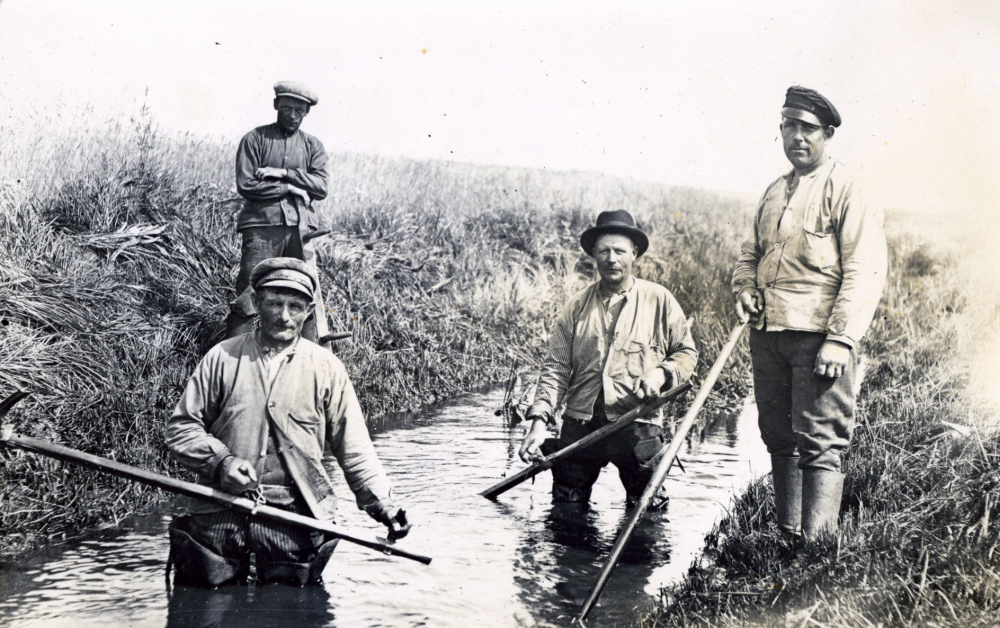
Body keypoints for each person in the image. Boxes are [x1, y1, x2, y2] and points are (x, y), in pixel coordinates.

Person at [165, 258, 410, 587]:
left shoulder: (327, 368)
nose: (284, 316)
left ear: (308, 311)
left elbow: (355, 450)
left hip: (296, 517)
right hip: (219, 510)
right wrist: (221, 462)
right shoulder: (222, 358)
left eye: (295, 306)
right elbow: (182, 428)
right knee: (202, 603)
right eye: (274, 303)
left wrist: (383, 505)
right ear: (256, 303)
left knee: (290, 607)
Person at [732, 86, 887, 543]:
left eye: (808, 128)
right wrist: (745, 287)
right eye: (789, 126)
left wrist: (841, 339)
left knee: (820, 441)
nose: (797, 137)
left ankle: (816, 550)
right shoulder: (773, 192)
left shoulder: (847, 188)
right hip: (768, 335)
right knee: (778, 436)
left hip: (819, 339)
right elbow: (750, 254)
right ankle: (788, 539)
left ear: (827, 134)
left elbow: (865, 269)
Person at [518, 210, 698, 505]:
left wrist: (660, 374)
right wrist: (539, 423)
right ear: (594, 255)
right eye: (603, 251)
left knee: (647, 510)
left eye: (619, 251)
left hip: (638, 422)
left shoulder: (660, 299)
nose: (611, 259)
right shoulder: (576, 306)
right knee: (566, 508)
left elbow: (686, 353)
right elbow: (556, 368)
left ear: (634, 253)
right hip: (581, 423)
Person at [227, 81, 331, 343]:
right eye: (287, 109)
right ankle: (234, 355)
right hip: (262, 228)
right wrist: (291, 188)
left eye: (299, 111)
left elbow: (321, 186)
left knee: (305, 292)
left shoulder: (313, 146)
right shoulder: (254, 139)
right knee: (249, 293)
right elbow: (247, 184)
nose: (293, 116)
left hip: (301, 231)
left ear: (306, 112)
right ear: (276, 105)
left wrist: (285, 174)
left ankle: (308, 358)